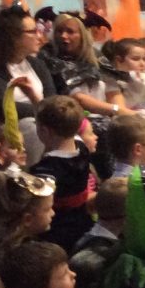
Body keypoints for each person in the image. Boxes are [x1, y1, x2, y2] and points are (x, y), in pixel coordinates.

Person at [30, 95, 96, 253]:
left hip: (57, 229)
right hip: (83, 220)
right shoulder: (82, 147)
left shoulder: (46, 170)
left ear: (44, 131)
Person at [0, 7, 56, 131]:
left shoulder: (38, 64)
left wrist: (49, 113)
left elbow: (52, 100)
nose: (40, 36)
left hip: (45, 123)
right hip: (9, 128)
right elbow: (2, 106)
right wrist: (46, 113)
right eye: (33, 31)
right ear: (13, 36)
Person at [39, 12, 124, 118]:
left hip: (105, 114)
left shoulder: (95, 55)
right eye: (59, 31)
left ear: (83, 34)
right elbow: (78, 98)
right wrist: (116, 110)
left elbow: (113, 90)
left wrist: (122, 115)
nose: (63, 36)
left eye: (70, 32)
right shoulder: (48, 56)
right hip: (70, 119)